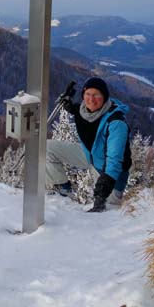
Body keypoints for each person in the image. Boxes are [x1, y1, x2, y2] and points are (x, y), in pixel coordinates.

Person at [46, 77, 131, 212]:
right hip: (89, 155)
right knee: (46, 148)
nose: (91, 99)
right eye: (87, 94)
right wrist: (70, 106)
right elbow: (80, 113)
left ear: (105, 97)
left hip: (109, 171)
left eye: (96, 94)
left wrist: (103, 188)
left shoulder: (116, 123)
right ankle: (63, 188)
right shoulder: (84, 112)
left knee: (108, 212)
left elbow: (115, 160)